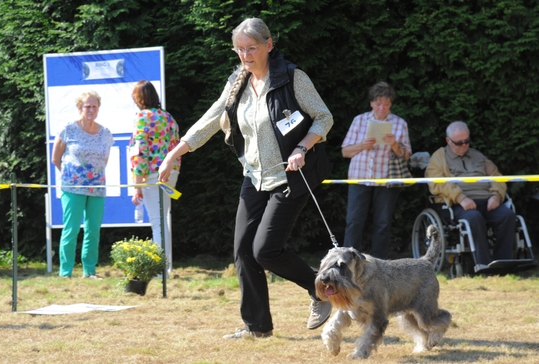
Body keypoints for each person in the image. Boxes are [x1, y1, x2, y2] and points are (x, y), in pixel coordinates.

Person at [158, 17, 333, 339]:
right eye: (240, 50)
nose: (246, 55)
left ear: (269, 45)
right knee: (242, 251)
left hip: (290, 176)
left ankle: (319, 288)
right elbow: (210, 120)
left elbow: (323, 117)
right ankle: (257, 327)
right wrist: (173, 153)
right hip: (253, 177)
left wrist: (302, 147)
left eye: (252, 48)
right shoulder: (237, 83)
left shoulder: (292, 78)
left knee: (265, 250)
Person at [425, 121, 515, 272]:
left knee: (508, 215)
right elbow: (437, 183)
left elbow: (496, 177)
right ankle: (483, 265)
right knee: (474, 218)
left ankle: (503, 263)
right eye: (459, 143)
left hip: (487, 201)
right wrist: (460, 197)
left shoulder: (478, 156)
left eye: (466, 141)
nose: (464, 145)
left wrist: (496, 195)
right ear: (448, 141)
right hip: (458, 204)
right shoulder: (439, 158)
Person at [341, 82, 411, 259]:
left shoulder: (399, 123)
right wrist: (361, 145)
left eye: (386, 104)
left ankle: (380, 264)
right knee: (354, 221)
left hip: (386, 179)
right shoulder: (359, 120)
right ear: (371, 103)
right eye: (378, 104)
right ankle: (348, 262)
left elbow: (406, 156)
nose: (382, 108)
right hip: (359, 177)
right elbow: (345, 152)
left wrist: (394, 144)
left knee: (382, 223)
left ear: (391, 105)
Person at [51, 90, 113, 279]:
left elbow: (105, 160)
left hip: (97, 188)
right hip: (72, 188)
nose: (91, 110)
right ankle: (66, 272)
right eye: (87, 106)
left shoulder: (105, 133)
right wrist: (73, 177)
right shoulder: (68, 129)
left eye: (95, 106)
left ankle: (89, 271)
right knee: (71, 229)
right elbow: (56, 158)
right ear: (80, 108)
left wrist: (93, 177)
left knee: (93, 230)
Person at [129, 80, 181, 272]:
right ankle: (165, 267)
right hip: (171, 172)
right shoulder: (168, 117)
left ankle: (160, 269)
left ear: (139, 98)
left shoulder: (142, 117)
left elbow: (139, 152)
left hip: (152, 174)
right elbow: (176, 145)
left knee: (157, 222)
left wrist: (137, 185)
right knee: (163, 219)